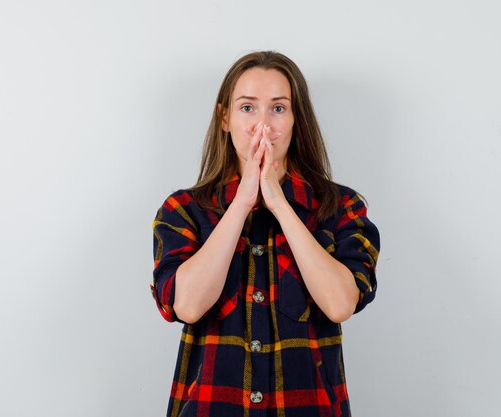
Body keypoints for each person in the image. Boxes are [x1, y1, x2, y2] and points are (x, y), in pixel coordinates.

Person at [150, 50, 381, 417]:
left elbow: (340, 304)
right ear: (224, 118)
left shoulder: (341, 207)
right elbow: (188, 305)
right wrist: (242, 202)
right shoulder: (183, 210)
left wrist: (279, 203)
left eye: (278, 108)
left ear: (295, 119)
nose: (263, 124)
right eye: (247, 108)